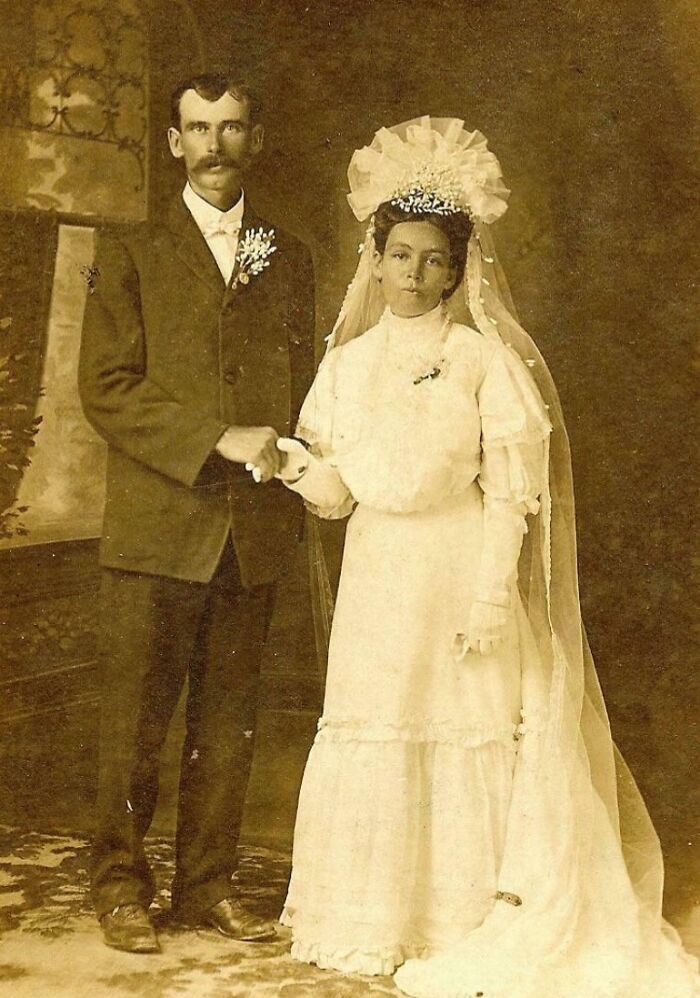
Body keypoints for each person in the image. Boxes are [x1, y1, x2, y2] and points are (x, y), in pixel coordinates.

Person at [274, 118, 699, 996]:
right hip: (381, 573)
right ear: (375, 257)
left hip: (459, 567)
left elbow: (512, 487)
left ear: (459, 269)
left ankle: (459, 917)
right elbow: (338, 493)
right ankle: (373, 918)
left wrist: (494, 596)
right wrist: (293, 465)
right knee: (380, 718)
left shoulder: (479, 359)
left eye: (434, 260)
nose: (414, 275)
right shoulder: (346, 365)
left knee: (463, 724)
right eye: (399, 256)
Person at [78, 73, 315, 954]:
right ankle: (119, 889)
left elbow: (305, 385)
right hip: (156, 526)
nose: (215, 144)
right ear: (174, 143)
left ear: (255, 139)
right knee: (136, 721)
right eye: (197, 128)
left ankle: (207, 887)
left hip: (250, 533)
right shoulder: (128, 251)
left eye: (232, 127)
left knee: (227, 719)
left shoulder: (289, 256)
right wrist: (218, 436)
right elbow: (104, 389)